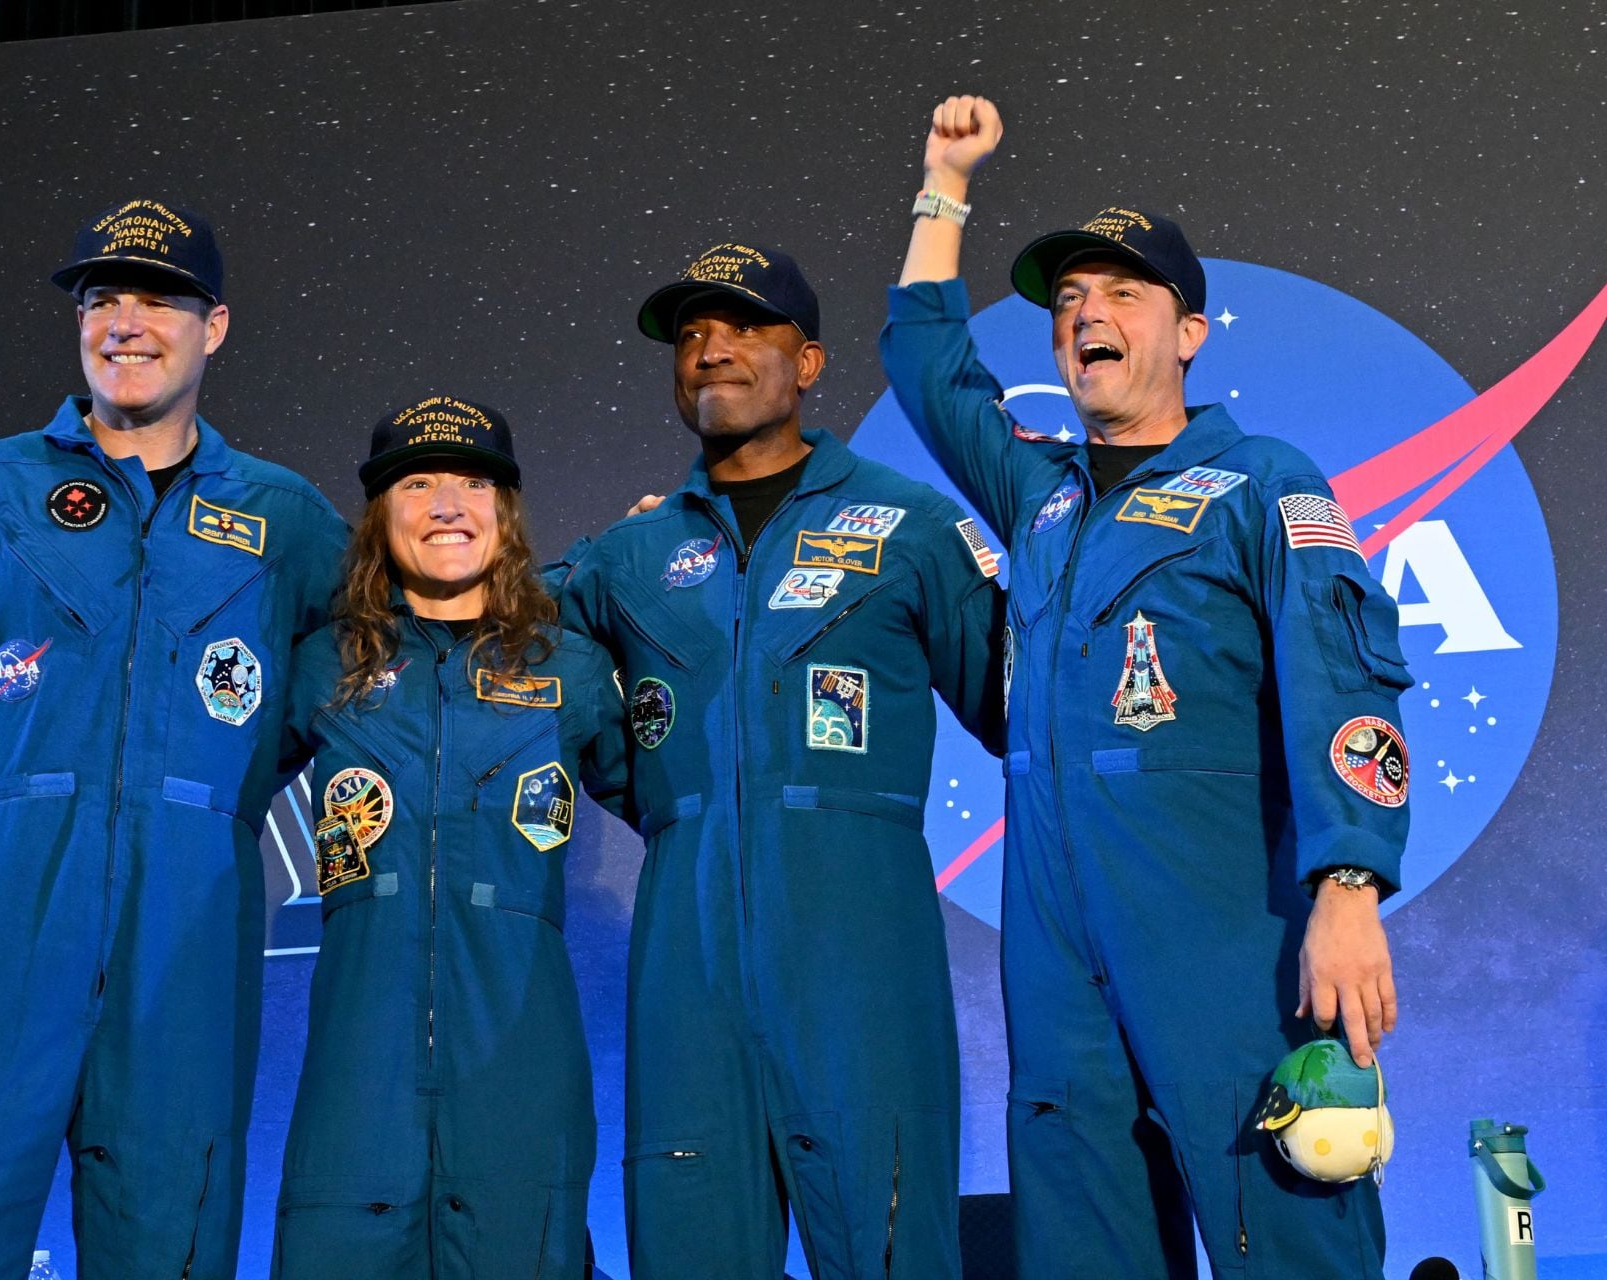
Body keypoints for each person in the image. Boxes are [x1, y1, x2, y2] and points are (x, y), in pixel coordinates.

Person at [883, 96, 1412, 1277]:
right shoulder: (1040, 495)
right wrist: (944, 181)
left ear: (1191, 333)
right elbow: (924, 361)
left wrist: (1347, 885)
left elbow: (1350, 676)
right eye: (1069, 302)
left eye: (1123, 294)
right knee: (1079, 1229)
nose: (1088, 316)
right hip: (1058, 943)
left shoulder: (1258, 483)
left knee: (1284, 1221)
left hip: (1223, 928)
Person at [0, 198, 348, 1278]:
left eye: (160, 298)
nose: (127, 321)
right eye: (103, 298)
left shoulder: (286, 516)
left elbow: (379, 669)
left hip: (188, 929)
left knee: (172, 1235)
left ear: (217, 326)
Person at [560, 242, 1007, 1279]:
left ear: (807, 363)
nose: (711, 348)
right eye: (692, 334)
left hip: (863, 956)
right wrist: (671, 804)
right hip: (687, 961)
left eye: (744, 325)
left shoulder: (909, 524)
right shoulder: (626, 557)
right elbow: (510, 648)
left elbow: (1028, 714)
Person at [271, 395, 627, 1280]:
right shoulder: (322, 663)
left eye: (475, 483)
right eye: (416, 483)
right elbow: (202, 804)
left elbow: (685, 809)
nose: (446, 506)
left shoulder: (571, 668)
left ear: (504, 512)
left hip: (518, 1062)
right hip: (360, 1073)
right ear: (379, 513)